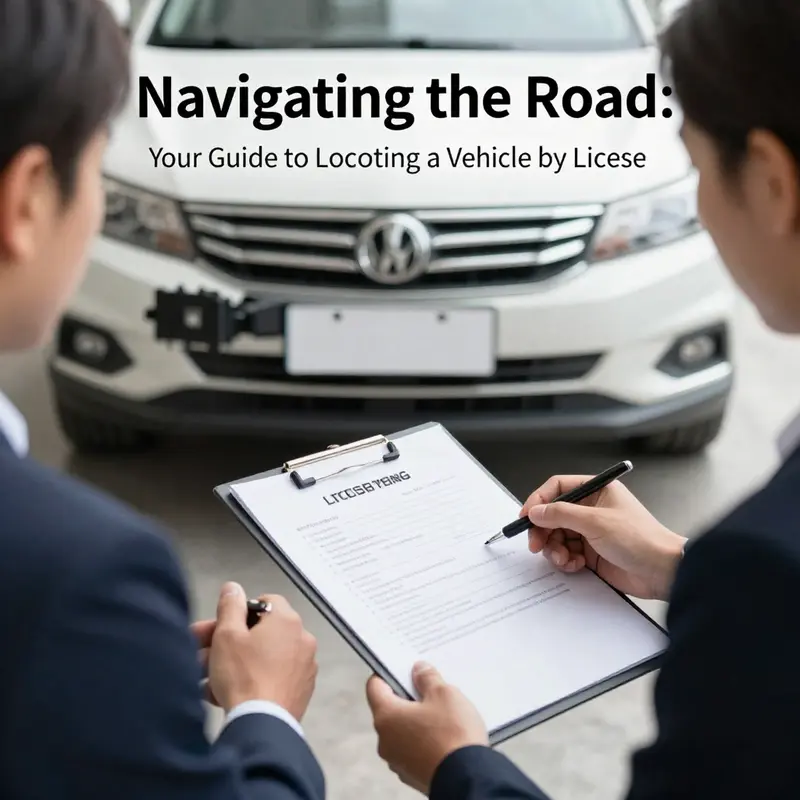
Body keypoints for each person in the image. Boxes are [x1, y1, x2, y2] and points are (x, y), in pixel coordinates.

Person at [365, 0, 800, 797]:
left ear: (774, 183)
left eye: (699, 169)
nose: (702, 208)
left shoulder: (761, 572)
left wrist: (458, 767)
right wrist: (676, 566)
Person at [0, 2, 324, 798]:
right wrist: (266, 710)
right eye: (99, 172)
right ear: (27, 200)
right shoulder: (81, 569)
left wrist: (118, 662)